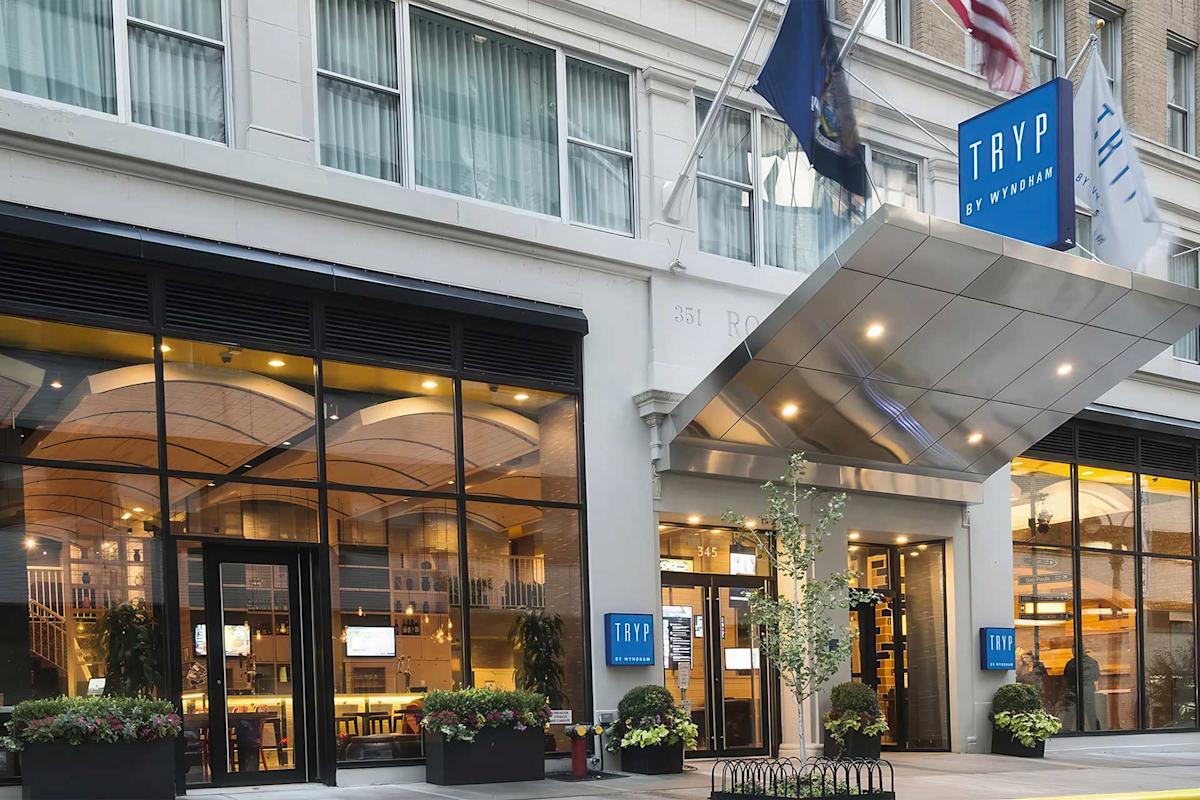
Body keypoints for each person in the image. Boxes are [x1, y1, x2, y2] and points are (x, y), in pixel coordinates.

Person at [1064, 649, 1102, 730]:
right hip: (1087, 689)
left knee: (1070, 714)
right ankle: (1096, 732)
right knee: (1091, 713)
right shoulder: (1092, 662)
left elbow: (1066, 677)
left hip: (1073, 690)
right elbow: (1096, 676)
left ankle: (1065, 732)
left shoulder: (1070, 664)